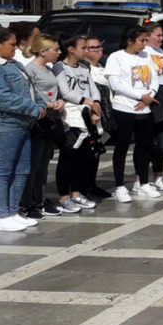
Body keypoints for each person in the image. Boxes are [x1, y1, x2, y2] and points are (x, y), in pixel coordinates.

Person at [105, 26, 161, 204]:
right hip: (124, 108)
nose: (145, 44)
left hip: (145, 107)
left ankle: (143, 182)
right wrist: (140, 96)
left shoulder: (146, 57)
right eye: (142, 41)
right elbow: (116, 84)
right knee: (122, 148)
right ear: (130, 40)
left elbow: (155, 79)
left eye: (146, 40)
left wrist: (148, 96)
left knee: (144, 146)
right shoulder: (116, 57)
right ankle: (120, 186)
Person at [0, 27, 46, 231]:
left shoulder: (15, 64)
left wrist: (42, 104)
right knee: (4, 171)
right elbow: (3, 97)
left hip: (23, 124)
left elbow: (32, 90)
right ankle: (2, 214)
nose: (16, 48)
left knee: (21, 170)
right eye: (11, 44)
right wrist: (33, 108)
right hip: (6, 125)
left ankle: (13, 210)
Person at [23, 34, 72, 216]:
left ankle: (40, 199)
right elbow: (31, 94)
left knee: (44, 163)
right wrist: (49, 104)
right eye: (55, 49)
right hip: (38, 120)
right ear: (43, 51)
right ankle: (28, 201)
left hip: (51, 118)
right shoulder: (31, 69)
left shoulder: (50, 69)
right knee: (34, 163)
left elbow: (54, 91)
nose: (59, 53)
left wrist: (59, 101)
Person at [55, 34, 102, 213]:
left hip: (87, 115)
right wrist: (87, 102)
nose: (86, 50)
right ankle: (63, 197)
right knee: (68, 157)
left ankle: (76, 193)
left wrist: (95, 103)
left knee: (85, 157)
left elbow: (93, 88)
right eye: (83, 47)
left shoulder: (84, 67)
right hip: (71, 118)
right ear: (71, 49)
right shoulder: (60, 67)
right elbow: (65, 92)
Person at [141, 23, 163, 192]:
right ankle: (141, 179)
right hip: (154, 100)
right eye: (158, 35)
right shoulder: (144, 52)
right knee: (149, 142)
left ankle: (158, 176)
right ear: (147, 36)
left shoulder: (161, 52)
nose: (162, 39)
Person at [81, 36, 112, 200]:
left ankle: (92, 185)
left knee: (96, 153)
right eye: (93, 47)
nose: (98, 50)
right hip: (90, 116)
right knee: (86, 154)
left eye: (99, 46)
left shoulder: (102, 67)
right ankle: (83, 187)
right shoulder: (84, 69)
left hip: (104, 117)